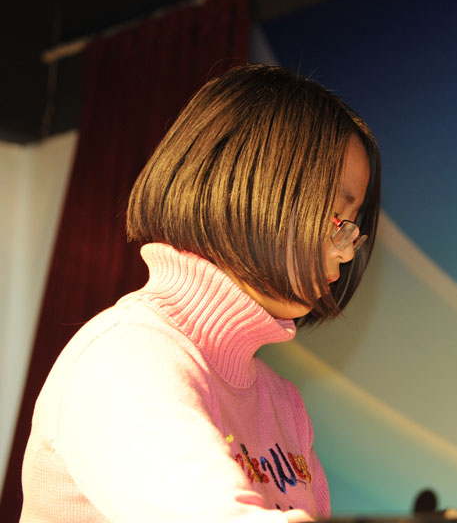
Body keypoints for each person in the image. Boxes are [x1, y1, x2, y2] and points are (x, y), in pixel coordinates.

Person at [19, 64, 381, 523]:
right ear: (250, 191)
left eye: (352, 228)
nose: (345, 252)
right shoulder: (124, 355)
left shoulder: (282, 402)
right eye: (335, 217)